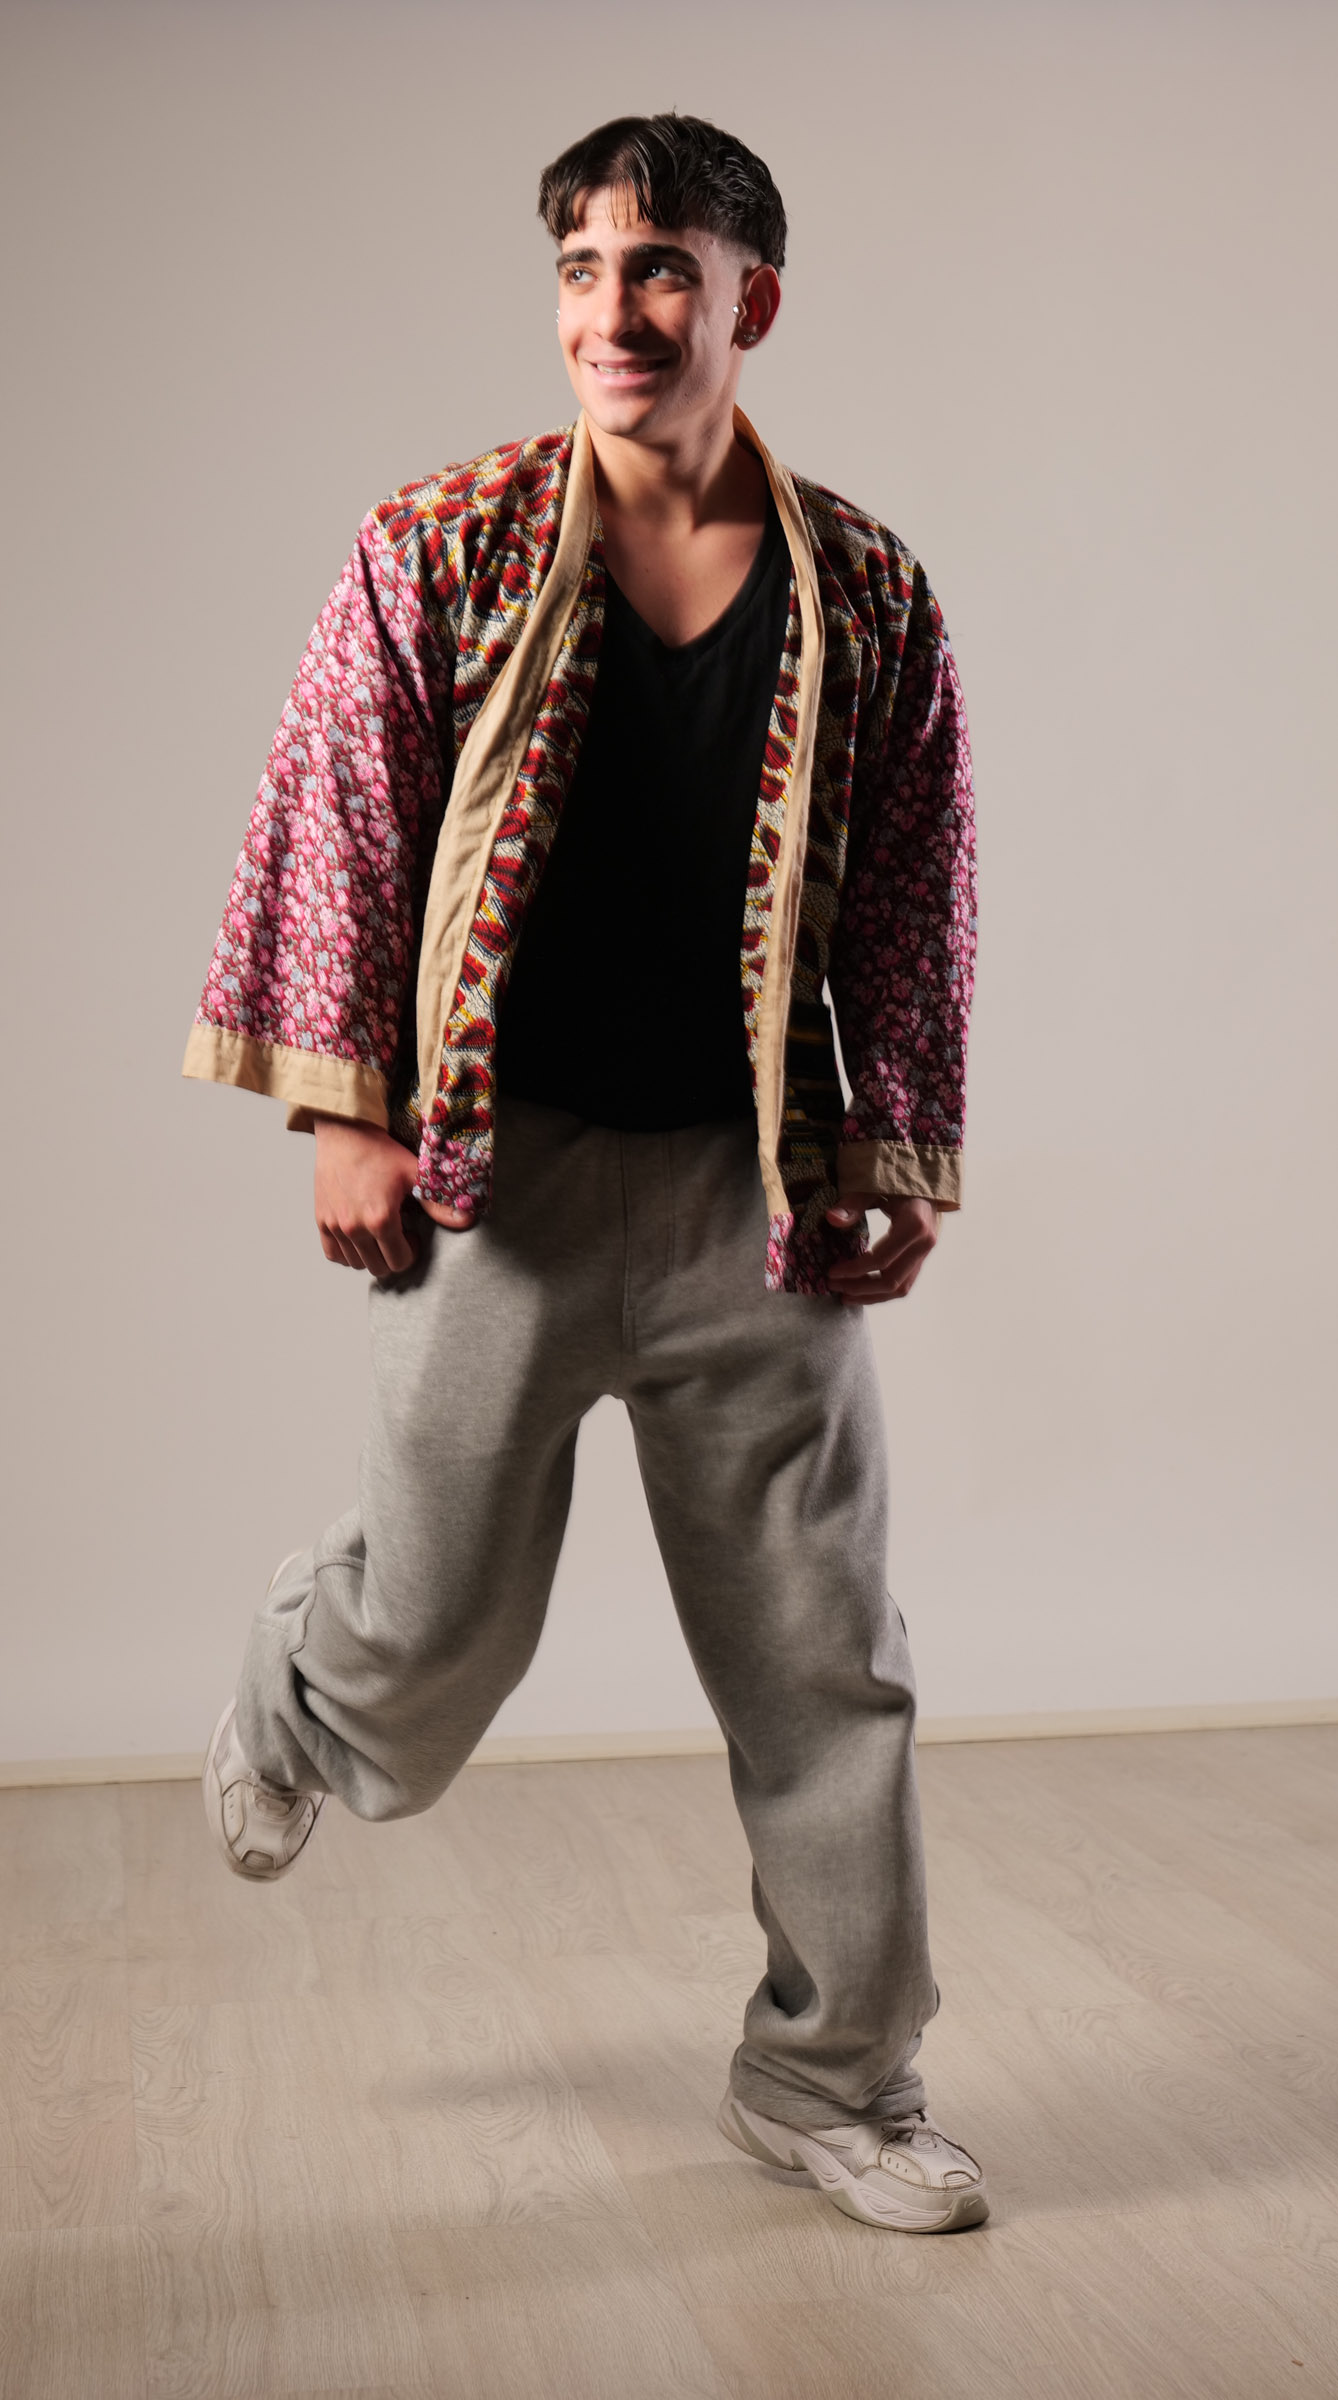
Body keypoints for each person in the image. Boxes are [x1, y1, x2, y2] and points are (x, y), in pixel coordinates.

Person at [185, 112, 984, 2235]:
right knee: (435, 1637)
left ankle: (836, 2079)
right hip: (496, 1187)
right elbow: (339, 815)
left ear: (750, 302)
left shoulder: (867, 588)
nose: (614, 312)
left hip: (751, 1198)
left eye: (662, 270)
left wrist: (892, 1142)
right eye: (582, 269)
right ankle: (299, 1673)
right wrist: (348, 1113)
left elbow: (911, 887)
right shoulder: (437, 545)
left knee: (825, 1658)